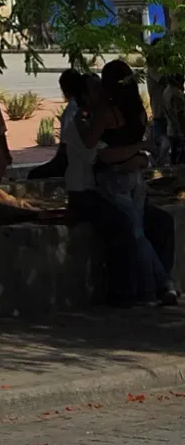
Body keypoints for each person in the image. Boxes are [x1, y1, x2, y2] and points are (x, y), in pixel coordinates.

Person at [79, 62, 176, 305]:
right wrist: (138, 153)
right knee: (138, 229)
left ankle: (157, 287)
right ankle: (161, 286)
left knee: (137, 232)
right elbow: (141, 146)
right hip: (133, 176)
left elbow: (100, 153)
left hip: (113, 178)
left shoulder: (106, 114)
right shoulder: (139, 112)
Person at [28, 70, 85, 181]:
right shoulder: (85, 107)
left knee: (34, 175)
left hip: (71, 160)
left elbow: (65, 145)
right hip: (78, 158)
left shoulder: (72, 110)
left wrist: (56, 163)